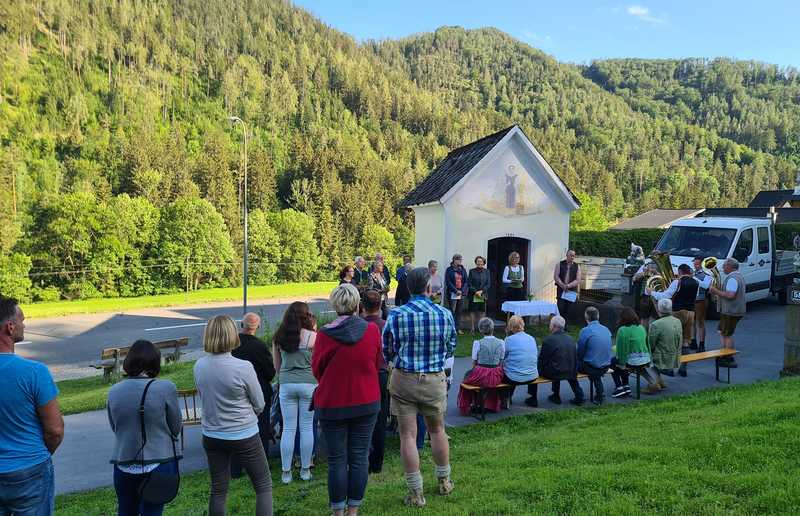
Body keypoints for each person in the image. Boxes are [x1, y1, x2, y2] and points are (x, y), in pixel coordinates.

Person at [383, 267, 456, 507]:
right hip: (434, 378)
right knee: (437, 430)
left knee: (408, 435)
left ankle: (416, 493)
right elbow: (451, 347)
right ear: (428, 288)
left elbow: (387, 350)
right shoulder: (444, 314)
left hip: (404, 378)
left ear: (408, 288)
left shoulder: (396, 315)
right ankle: (444, 481)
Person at [313, 284, 381, 515]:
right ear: (357, 304)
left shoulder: (324, 334)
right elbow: (376, 362)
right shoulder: (372, 331)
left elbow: (317, 369)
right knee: (360, 457)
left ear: (335, 304)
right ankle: (353, 510)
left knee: (337, 460)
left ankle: (338, 511)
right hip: (366, 400)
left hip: (333, 403)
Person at [194, 315, 272, 516]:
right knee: (263, 485)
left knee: (218, 489)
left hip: (212, 433)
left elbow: (204, 397)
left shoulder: (199, 366)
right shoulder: (242, 367)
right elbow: (259, 403)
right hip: (243, 433)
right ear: (233, 335)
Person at [0, 297, 63, 516]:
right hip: (29, 468)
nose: (24, 324)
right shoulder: (34, 372)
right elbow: (55, 430)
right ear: (10, 327)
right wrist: (42, 454)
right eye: (22, 319)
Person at [108, 340, 182, 516]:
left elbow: (115, 427)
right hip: (158, 462)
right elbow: (176, 426)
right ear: (155, 362)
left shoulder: (114, 391)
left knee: (126, 511)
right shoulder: (166, 388)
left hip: (123, 462)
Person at [272, 302, 317, 484]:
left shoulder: (279, 337)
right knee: (306, 428)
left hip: (287, 384)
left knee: (289, 429)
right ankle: (305, 469)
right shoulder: (313, 337)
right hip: (308, 384)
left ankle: (286, 472)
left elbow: (277, 367)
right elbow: (317, 363)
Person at [231, 313, 276, 479]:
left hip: (236, 392)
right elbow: (270, 372)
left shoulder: (233, 344)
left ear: (241, 325)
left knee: (237, 428)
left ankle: (235, 468)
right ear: (257, 327)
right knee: (261, 428)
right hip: (259, 391)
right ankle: (260, 466)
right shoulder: (259, 346)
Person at [360, 291, 389, 474]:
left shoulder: (360, 326)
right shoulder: (386, 325)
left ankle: (363, 456)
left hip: (364, 373)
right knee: (380, 419)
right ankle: (377, 461)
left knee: (362, 418)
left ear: (362, 306)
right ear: (380, 306)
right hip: (382, 373)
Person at [650, 264, 697, 377]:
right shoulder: (696, 282)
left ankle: (669, 368)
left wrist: (651, 292)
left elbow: (666, 295)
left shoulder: (677, 282)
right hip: (690, 312)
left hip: (677, 312)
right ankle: (683, 368)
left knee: (672, 340)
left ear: (680, 272)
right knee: (686, 341)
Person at [457, 318, 505, 415]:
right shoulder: (501, 342)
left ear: (481, 329)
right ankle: (490, 404)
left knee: (466, 381)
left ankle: (472, 404)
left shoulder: (478, 343)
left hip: (482, 374)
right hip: (496, 374)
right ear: (492, 328)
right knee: (486, 382)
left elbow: (474, 362)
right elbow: (501, 360)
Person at [707, 258, 745, 368]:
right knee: (724, 332)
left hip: (730, 311)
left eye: (724, 265)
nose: (723, 267)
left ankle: (728, 357)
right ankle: (726, 355)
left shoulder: (732, 279)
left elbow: (730, 295)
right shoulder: (738, 276)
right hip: (733, 310)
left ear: (730, 266)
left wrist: (715, 291)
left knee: (727, 334)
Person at [609, 308, 656, 398]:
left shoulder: (622, 330)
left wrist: (622, 364)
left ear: (622, 318)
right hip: (645, 359)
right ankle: (626, 386)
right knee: (622, 362)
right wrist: (650, 360)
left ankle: (619, 387)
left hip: (632, 361)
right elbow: (647, 344)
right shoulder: (641, 327)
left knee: (613, 362)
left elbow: (621, 350)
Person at [538, 315, 583, 405]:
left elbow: (542, 359)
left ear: (554, 326)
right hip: (571, 371)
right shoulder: (571, 339)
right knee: (561, 364)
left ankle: (555, 395)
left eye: (550, 324)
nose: (549, 326)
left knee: (551, 366)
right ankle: (579, 394)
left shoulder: (548, 340)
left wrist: (538, 368)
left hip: (555, 372)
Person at [576, 307, 613, 405]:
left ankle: (579, 396)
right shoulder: (606, 329)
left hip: (593, 367)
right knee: (593, 365)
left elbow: (580, 351)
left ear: (586, 317)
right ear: (598, 316)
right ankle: (599, 393)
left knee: (571, 367)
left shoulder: (585, 331)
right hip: (606, 365)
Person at [500, 316, 539, 407]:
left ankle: (507, 397)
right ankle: (533, 398)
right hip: (532, 375)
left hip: (513, 377)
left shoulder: (508, 340)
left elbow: (502, 357)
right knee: (525, 366)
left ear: (511, 327)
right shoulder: (531, 338)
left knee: (507, 370)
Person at [646, 299, 683, 393]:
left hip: (662, 358)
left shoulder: (656, 324)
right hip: (675, 356)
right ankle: (659, 381)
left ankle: (653, 383)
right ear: (671, 309)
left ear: (658, 309)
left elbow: (651, 344)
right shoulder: (677, 321)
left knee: (643, 358)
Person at [554, 250, 581, 328]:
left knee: (569, 308)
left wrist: (568, 286)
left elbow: (578, 279)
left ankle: (566, 325)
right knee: (560, 307)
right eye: (570, 255)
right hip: (561, 289)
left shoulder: (577, 266)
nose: (572, 257)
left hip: (571, 291)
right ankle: (559, 325)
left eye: (573, 256)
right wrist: (562, 285)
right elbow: (556, 276)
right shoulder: (559, 264)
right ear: (566, 255)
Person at [445, 254, 469, 335]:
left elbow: (466, 281)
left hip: (461, 294)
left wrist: (462, 290)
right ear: (454, 260)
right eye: (458, 260)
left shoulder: (463, 269)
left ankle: (458, 328)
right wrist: (455, 290)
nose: (460, 261)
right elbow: (448, 282)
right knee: (452, 311)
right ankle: (451, 328)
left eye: (461, 260)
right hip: (452, 293)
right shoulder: (449, 270)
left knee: (460, 311)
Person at [467, 256, 491, 334]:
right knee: (472, 311)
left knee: (482, 311)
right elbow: (469, 283)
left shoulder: (487, 271)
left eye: (481, 261)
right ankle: (472, 328)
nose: (479, 263)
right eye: (478, 261)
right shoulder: (471, 271)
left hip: (483, 294)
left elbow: (488, 284)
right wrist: (476, 291)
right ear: (476, 262)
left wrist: (481, 291)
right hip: (473, 294)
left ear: (483, 262)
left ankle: (482, 328)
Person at [633, 261, 658, 328]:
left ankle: (651, 336)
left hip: (657, 296)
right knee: (644, 318)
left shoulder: (660, 266)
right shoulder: (645, 265)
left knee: (654, 319)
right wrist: (644, 273)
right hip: (645, 297)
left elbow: (665, 279)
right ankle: (643, 335)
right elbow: (634, 278)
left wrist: (656, 273)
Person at [692, 256, 709, 352]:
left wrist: (693, 278)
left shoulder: (707, 274)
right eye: (695, 263)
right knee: (691, 322)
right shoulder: (693, 273)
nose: (695, 265)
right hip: (691, 300)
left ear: (702, 264)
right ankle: (693, 341)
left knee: (700, 322)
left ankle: (702, 344)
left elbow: (706, 286)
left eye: (697, 264)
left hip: (700, 300)